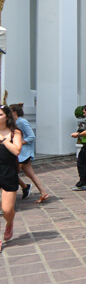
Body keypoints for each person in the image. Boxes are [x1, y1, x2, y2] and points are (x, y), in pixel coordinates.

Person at [10, 104, 49, 203]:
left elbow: (31, 136)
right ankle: (42, 192)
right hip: (20, 153)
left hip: (24, 153)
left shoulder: (22, 122)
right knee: (30, 174)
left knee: (11, 173)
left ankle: (21, 189)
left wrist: (20, 142)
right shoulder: (13, 122)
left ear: (14, 111)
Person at [0, 105, 23, 249]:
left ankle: (9, 223)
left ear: (7, 116)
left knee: (7, 210)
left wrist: (3, 140)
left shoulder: (15, 132)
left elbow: (16, 150)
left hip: (8, 172)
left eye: (1, 114)